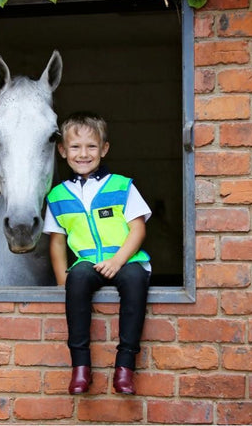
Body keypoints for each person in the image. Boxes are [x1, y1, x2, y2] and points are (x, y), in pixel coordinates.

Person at [43, 111, 151, 395]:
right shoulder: (57, 196)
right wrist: (61, 282)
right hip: (88, 263)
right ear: (63, 150)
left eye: (91, 146)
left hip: (125, 260)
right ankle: (81, 368)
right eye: (75, 147)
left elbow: (138, 229)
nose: (83, 154)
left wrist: (118, 261)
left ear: (104, 149)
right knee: (76, 279)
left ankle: (125, 367)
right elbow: (56, 241)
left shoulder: (121, 185)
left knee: (136, 280)